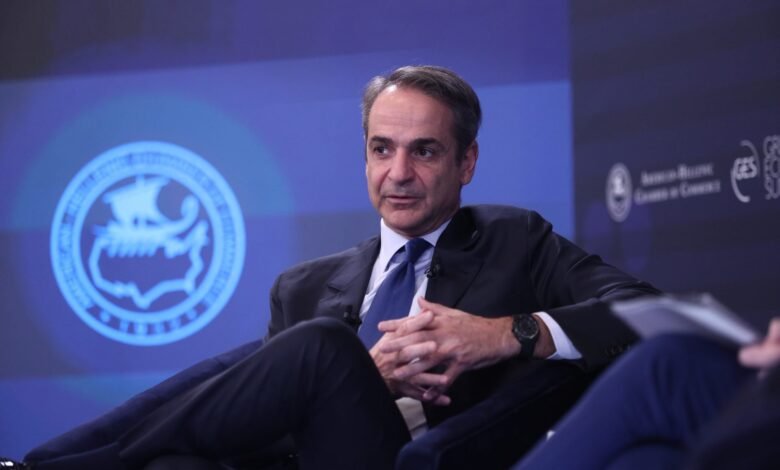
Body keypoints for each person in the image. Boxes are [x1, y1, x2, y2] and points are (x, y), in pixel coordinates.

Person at [7, 65, 658, 469]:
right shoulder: (305, 286)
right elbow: (253, 429)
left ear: (467, 163)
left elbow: (645, 312)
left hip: (415, 459)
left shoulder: (514, 240)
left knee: (321, 345)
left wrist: (505, 333)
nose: (398, 173)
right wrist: (361, 379)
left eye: (425, 151)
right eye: (382, 149)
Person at [512, 318, 780, 470]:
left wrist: (521, 332)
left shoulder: (528, 243)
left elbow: (622, 290)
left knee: (667, 368)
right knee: (643, 462)